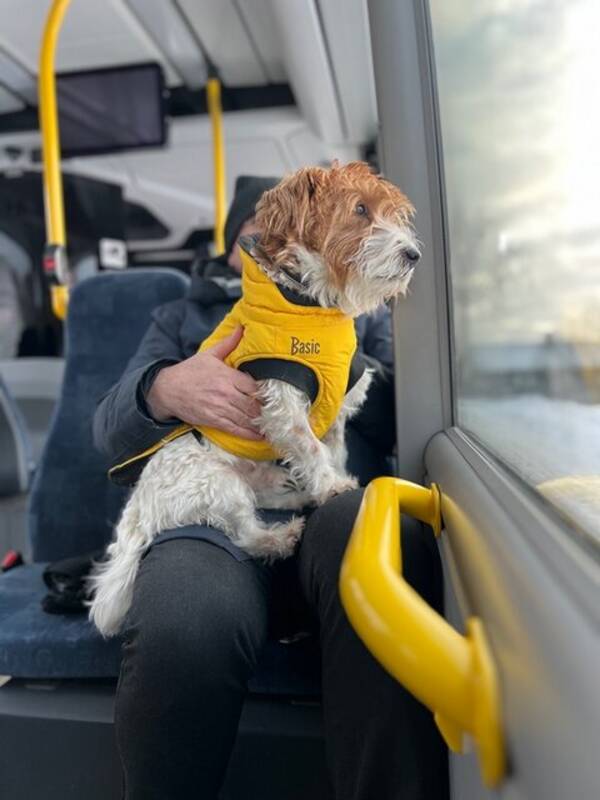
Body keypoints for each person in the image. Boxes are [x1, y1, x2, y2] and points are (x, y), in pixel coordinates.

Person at [94, 175, 449, 799]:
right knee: (185, 610)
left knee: (380, 541)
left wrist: (341, 375)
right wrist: (164, 388)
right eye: (257, 239)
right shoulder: (184, 315)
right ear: (236, 247)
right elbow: (106, 425)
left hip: (325, 508)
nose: (275, 251)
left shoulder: (355, 305)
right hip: (217, 518)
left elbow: (410, 403)